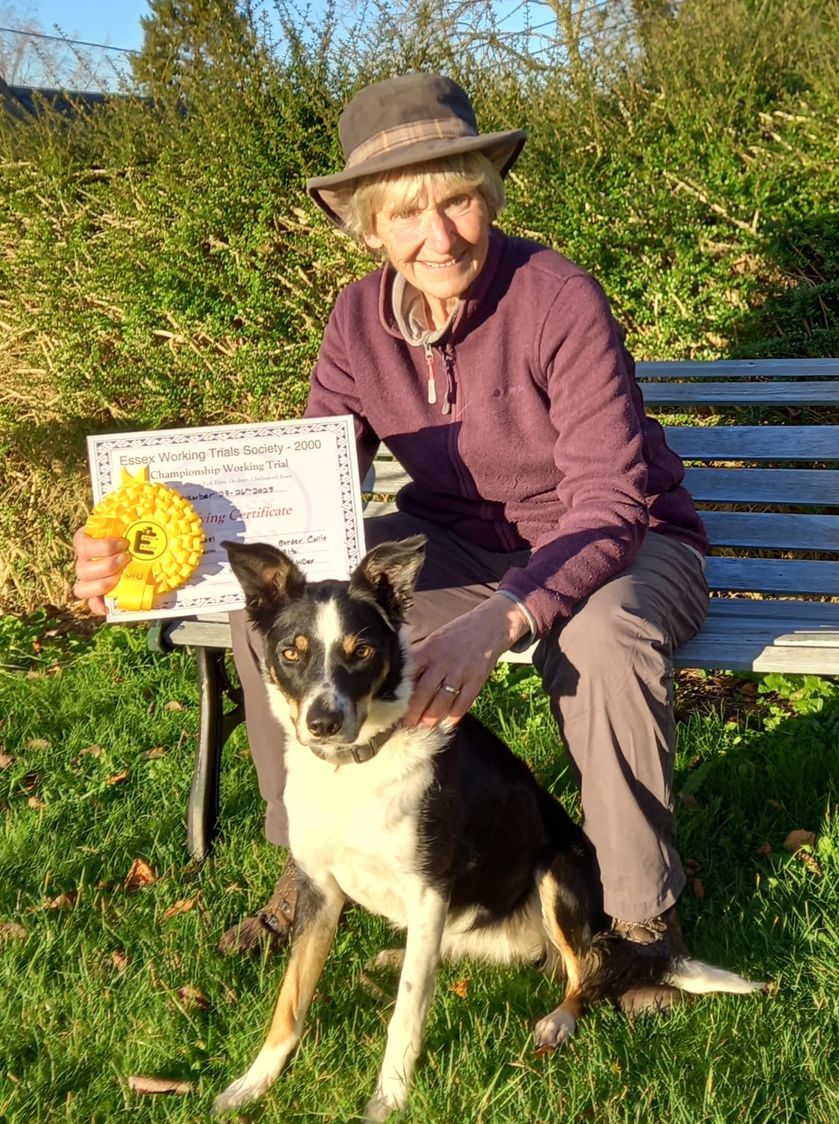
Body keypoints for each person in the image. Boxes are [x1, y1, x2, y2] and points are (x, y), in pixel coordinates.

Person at [73, 73, 710, 1013]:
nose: (439, 235)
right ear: (369, 228)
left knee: (601, 638)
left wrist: (503, 618)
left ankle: (639, 919)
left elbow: (610, 501)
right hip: (456, 540)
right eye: (407, 212)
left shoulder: (557, 297)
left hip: (624, 541)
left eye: (457, 200)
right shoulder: (353, 321)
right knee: (285, 625)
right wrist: (136, 555)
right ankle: (308, 864)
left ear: (488, 196)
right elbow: (303, 490)